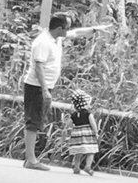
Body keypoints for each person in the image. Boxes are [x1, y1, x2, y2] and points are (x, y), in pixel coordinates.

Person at [22, 13, 111, 171]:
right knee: (33, 121)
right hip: (36, 86)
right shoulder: (42, 42)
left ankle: (31, 158)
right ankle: (30, 160)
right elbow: (38, 67)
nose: (69, 30)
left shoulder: (57, 38)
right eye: (67, 27)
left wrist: (95, 29)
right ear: (59, 28)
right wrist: (44, 90)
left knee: (37, 120)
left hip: (45, 86)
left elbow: (76, 33)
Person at [67, 89, 99, 175]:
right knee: (91, 151)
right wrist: (96, 132)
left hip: (76, 134)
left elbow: (68, 125)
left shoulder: (73, 115)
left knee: (78, 151)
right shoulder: (88, 113)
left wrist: (69, 133)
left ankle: (76, 167)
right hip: (87, 134)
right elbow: (93, 123)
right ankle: (88, 166)